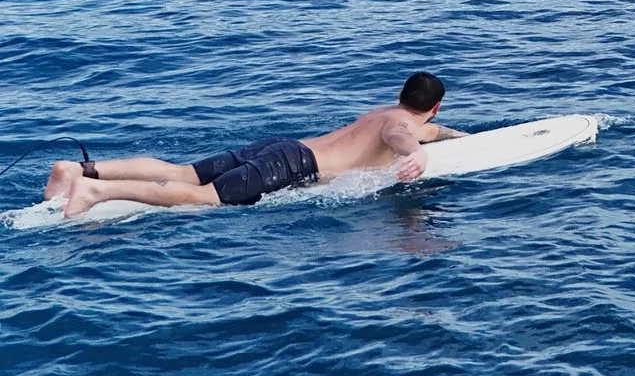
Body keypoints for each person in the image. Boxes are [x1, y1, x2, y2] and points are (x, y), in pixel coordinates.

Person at [43, 72, 466, 219]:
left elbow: (422, 129)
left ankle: (82, 170)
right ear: (436, 106)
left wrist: (454, 137)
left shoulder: (385, 112)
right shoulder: (401, 128)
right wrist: (416, 155)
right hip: (293, 165)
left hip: (279, 147)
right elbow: (403, 138)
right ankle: (97, 191)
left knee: (181, 172)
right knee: (200, 198)